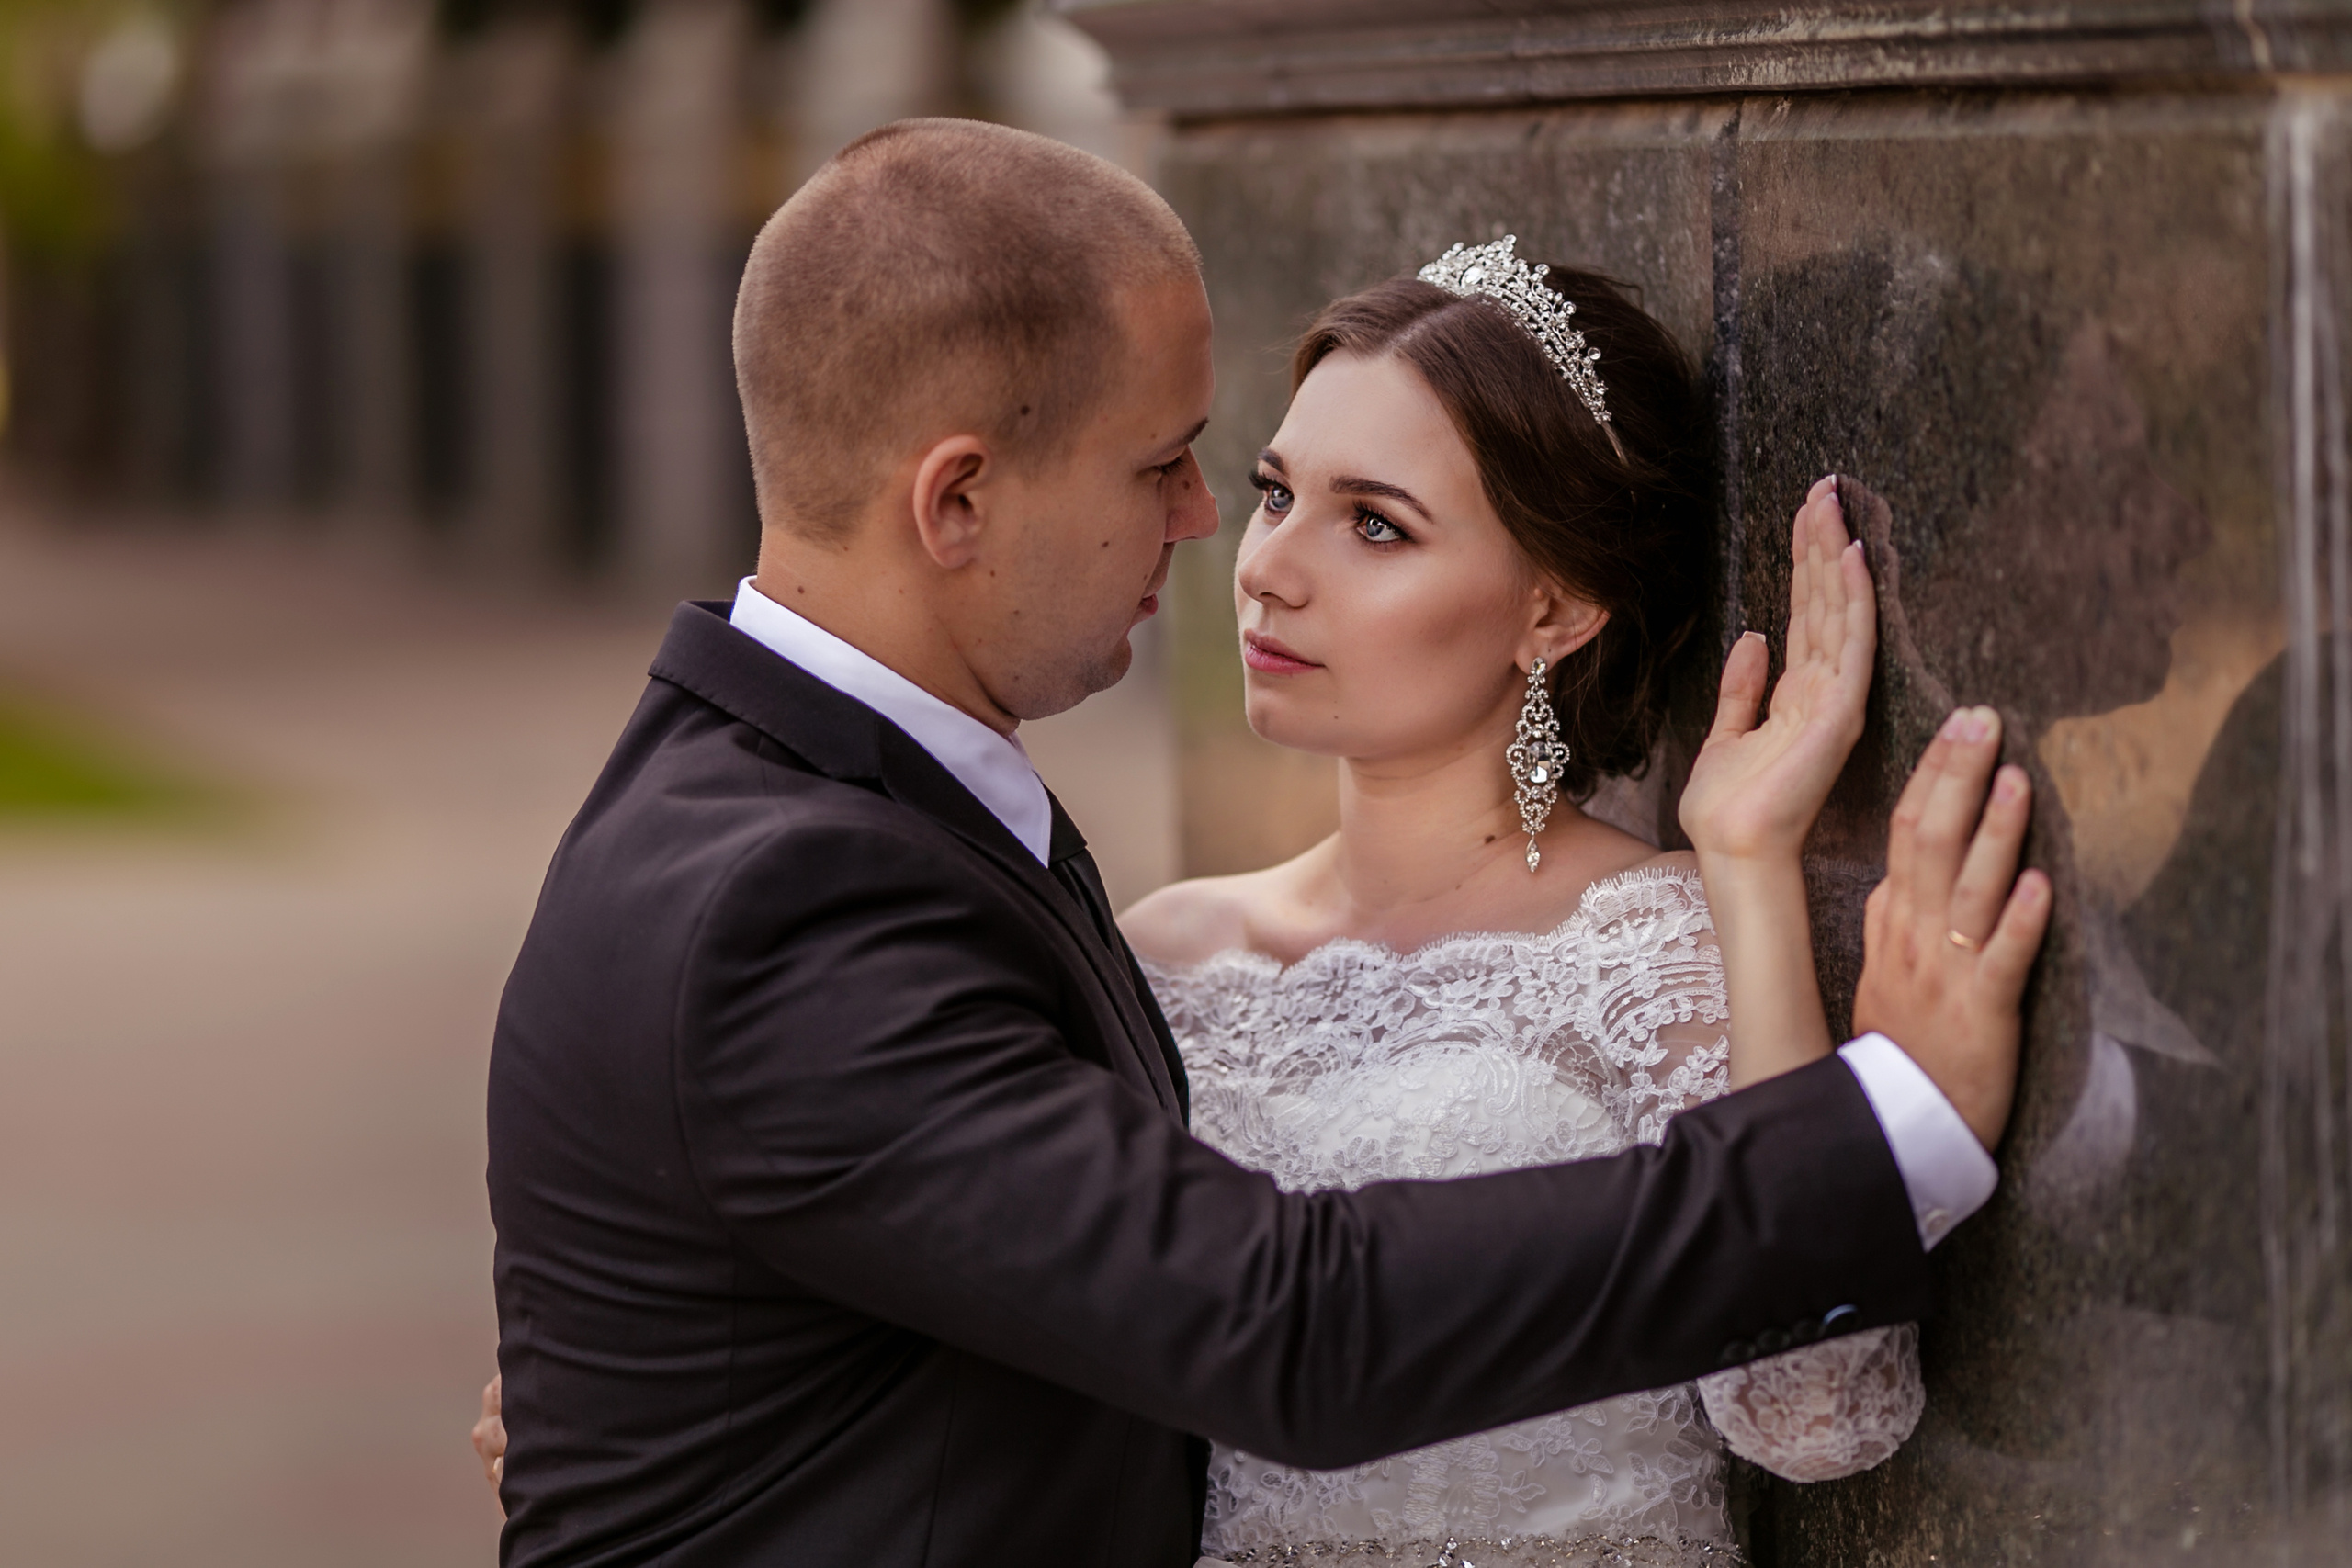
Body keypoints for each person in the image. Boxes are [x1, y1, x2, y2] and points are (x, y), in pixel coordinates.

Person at [480, 119, 2048, 1567]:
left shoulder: (850, 824)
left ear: (1556, 610)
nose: (1223, 543)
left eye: (1368, 518)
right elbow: (1282, 1328)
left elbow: (1013, 1289)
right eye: (1185, 471)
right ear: (956, 501)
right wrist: (1883, 1129)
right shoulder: (801, 899)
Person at [1113, 246, 2003, 1562]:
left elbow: (1813, 1417)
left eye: (1375, 524)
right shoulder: (1162, 950)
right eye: (1276, 493)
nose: (1269, 569)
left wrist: (1748, 865)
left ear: (1556, 607)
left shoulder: (1652, 945)